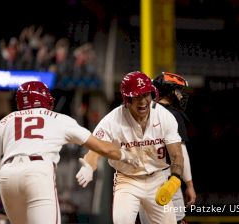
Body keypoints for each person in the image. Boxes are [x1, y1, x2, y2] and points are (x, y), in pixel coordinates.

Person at [0, 81, 138, 224]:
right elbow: (103, 147)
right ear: (46, 101)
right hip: (37, 173)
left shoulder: (5, 121)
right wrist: (126, 156)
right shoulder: (59, 119)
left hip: (7, 178)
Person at [76, 71, 184, 224]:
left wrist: (175, 179)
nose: (143, 101)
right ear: (127, 98)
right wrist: (89, 165)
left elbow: (177, 155)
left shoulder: (164, 116)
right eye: (137, 96)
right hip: (128, 180)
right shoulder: (112, 120)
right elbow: (96, 149)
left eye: (146, 95)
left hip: (158, 179)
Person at [139, 72, 197, 224]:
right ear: (170, 91)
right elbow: (181, 154)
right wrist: (189, 185)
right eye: (179, 90)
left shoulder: (143, 113)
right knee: (178, 221)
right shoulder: (173, 115)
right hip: (166, 180)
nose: (181, 95)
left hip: (140, 181)